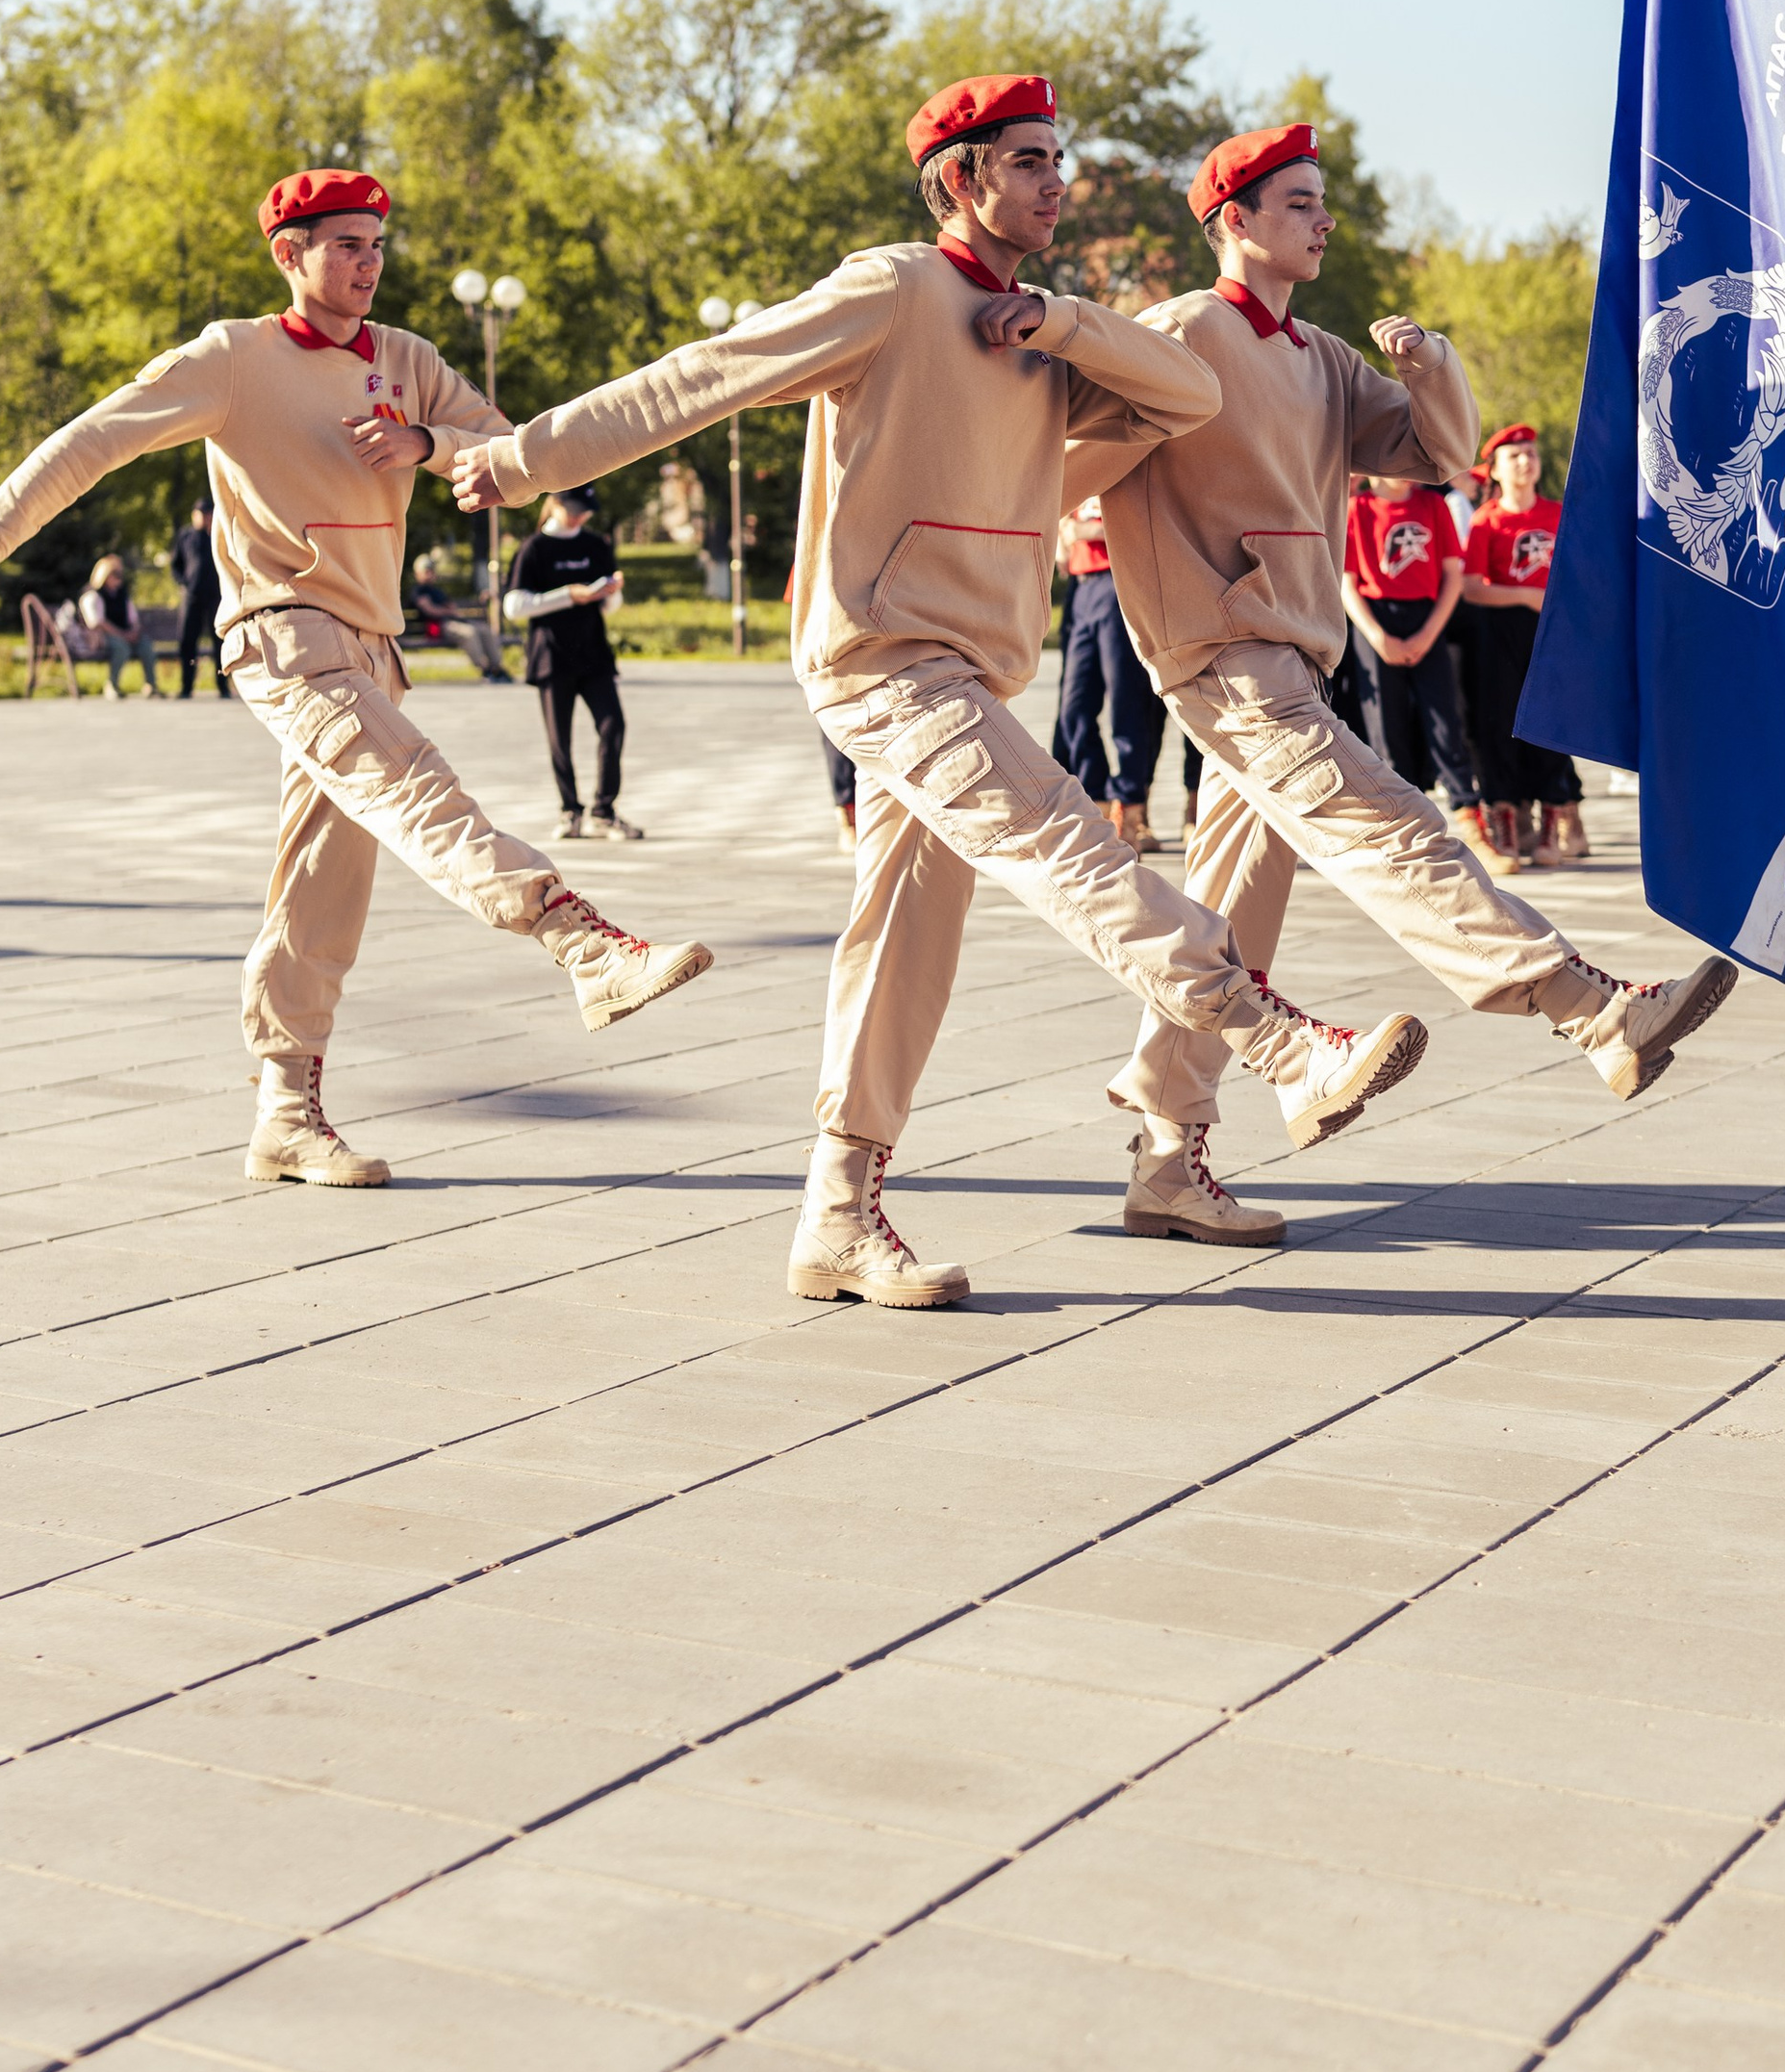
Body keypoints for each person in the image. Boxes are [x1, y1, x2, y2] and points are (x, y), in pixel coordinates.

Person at [453, 73, 1435, 1312]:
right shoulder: (891, 290)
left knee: (904, 941)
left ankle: (838, 1216)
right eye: (1028, 161)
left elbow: (1191, 395)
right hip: (882, 658)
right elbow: (699, 377)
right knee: (1070, 845)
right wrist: (519, 458)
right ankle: (1281, 1041)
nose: (1055, 182)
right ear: (960, 178)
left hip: (971, 668)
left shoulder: (1042, 334)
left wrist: (1063, 327)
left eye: (1058, 159)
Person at [0, 167, 709, 1189]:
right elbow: (93, 442)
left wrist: (427, 442)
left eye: (377, 246)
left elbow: (510, 454)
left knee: (320, 886)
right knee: (417, 789)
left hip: (370, 644)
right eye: (344, 245)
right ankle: (584, 946)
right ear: (288, 255)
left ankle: (285, 1112)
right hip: (282, 631)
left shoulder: (409, 360)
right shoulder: (234, 360)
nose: (367, 265)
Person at [1075, 126, 1737, 1246]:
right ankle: (1591, 1010)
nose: (1323, 218)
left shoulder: (1323, 357)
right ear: (1233, 219)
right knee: (1395, 827)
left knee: (1227, 920)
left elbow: (1439, 458)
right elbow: (1068, 453)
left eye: (1321, 200)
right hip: (1221, 656)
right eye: (1297, 202)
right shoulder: (1178, 332)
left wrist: (1430, 366)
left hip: (1288, 652)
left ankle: (1162, 1155)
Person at [1461, 425, 1589, 863]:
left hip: (1554, 631)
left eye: (1531, 453)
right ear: (1494, 470)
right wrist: (1524, 595)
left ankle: (1555, 819)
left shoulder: (1559, 513)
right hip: (1501, 633)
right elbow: (1472, 588)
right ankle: (1508, 823)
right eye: (1513, 456)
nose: (1525, 461)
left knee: (1554, 720)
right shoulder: (1487, 521)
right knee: (1501, 722)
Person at [1344, 467, 1483, 853]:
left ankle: (1469, 813)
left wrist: (1428, 633)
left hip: (1427, 615)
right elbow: (1347, 582)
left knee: (1444, 719)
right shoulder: (1358, 509)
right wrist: (1376, 636)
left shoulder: (1432, 505)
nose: (1404, 471)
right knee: (1385, 725)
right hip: (1375, 619)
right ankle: (1402, 824)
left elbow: (1452, 574)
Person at [507, 486, 638, 840]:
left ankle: (604, 810)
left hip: (593, 653)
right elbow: (514, 606)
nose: (581, 516)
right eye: (575, 509)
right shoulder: (535, 548)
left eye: (586, 510)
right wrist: (570, 595)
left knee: (614, 726)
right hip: (551, 656)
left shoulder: (596, 545)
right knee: (559, 739)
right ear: (556, 502)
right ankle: (570, 812)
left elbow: (609, 605)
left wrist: (610, 594)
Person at [1054, 494, 1166, 846]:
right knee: (1074, 707)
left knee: (1126, 703)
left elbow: (1142, 522)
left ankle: (1130, 808)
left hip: (1119, 584)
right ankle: (1095, 799)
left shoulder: (1115, 456)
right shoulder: (1076, 465)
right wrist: (1066, 534)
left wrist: (1082, 530)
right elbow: (1063, 533)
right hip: (1081, 586)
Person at [405, 548, 509, 680]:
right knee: (469, 633)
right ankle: (484, 669)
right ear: (418, 573)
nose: (430, 574)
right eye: (426, 571)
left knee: (484, 630)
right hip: (436, 626)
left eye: (431, 571)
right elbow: (430, 610)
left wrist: (448, 610)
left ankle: (497, 668)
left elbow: (451, 605)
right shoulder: (418, 591)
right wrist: (446, 611)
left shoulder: (436, 590)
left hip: (452, 621)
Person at [73, 553, 160, 697]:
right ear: (104, 575)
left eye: (120, 574)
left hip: (125, 634)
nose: (119, 578)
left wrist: (134, 632)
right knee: (121, 647)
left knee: (146, 646)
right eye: (115, 574)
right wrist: (123, 634)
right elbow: (97, 623)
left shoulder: (122, 595)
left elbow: (133, 618)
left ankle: (151, 685)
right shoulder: (93, 595)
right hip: (104, 637)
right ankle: (112, 685)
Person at [170, 498, 227, 699]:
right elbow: (175, 564)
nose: (204, 518)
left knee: (219, 643)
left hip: (216, 597)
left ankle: (223, 686)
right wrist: (184, 583)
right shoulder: (185, 536)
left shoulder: (221, 534)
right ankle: (186, 687)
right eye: (200, 514)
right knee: (187, 642)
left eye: (207, 514)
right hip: (191, 597)